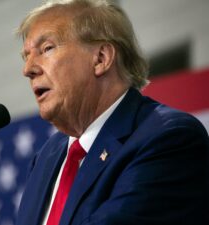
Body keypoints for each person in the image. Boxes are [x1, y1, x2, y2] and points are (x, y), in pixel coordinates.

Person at [15, 0, 209, 225]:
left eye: (47, 48)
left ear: (101, 59)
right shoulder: (46, 158)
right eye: (26, 56)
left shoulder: (169, 139)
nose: (28, 69)